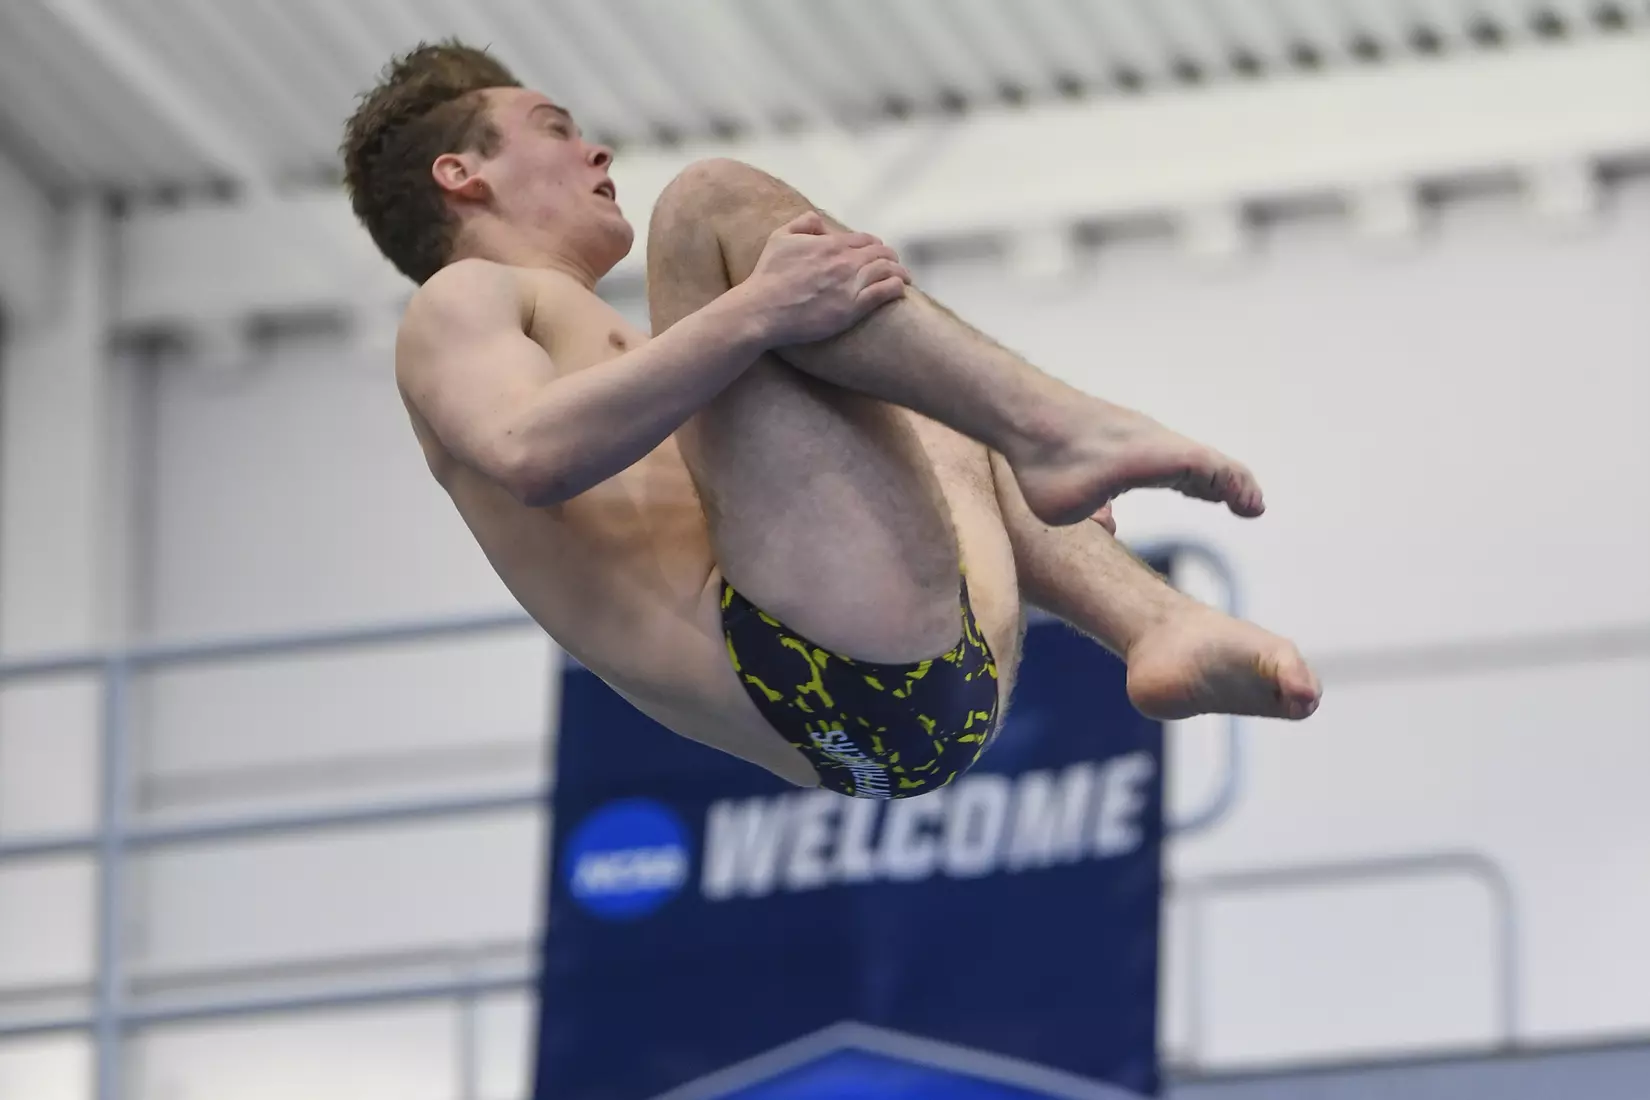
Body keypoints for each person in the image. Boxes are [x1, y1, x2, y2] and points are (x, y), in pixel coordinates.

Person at [341, 41, 1321, 799]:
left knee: (901, 371)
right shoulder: (461, 299)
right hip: (800, 663)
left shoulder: (645, 362)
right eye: (553, 129)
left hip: (921, 687)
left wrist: (997, 492)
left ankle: (1157, 622)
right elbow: (529, 452)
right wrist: (759, 310)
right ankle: (1055, 432)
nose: (594, 149)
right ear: (461, 175)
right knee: (707, 202)